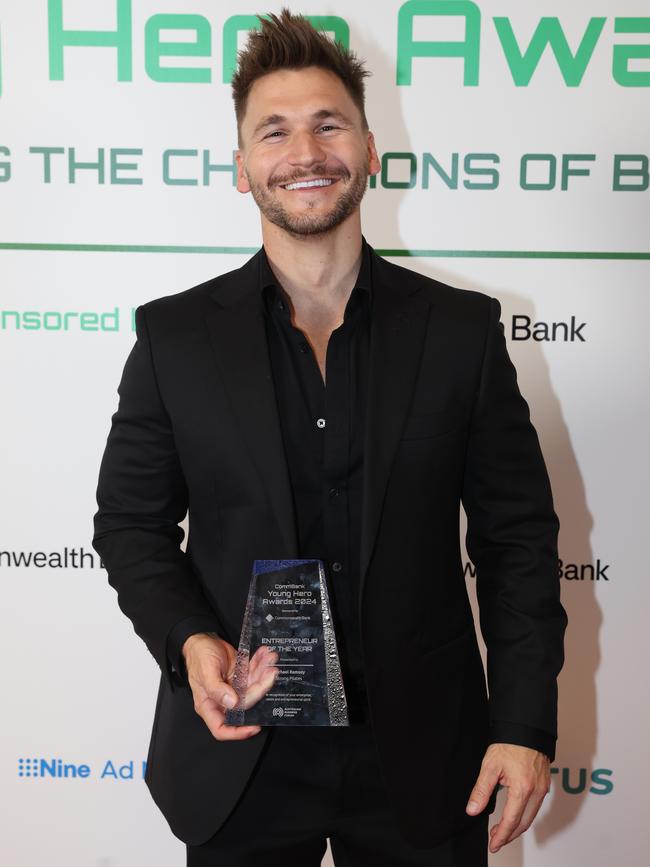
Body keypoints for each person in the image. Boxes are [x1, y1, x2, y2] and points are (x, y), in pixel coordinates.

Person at [92, 9, 567, 866]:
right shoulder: (175, 337)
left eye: (327, 124)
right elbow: (130, 525)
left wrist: (525, 723)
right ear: (242, 169)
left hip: (426, 758)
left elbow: (519, 539)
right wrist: (192, 640)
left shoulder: (460, 331)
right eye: (273, 132)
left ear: (370, 148)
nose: (304, 152)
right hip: (243, 743)